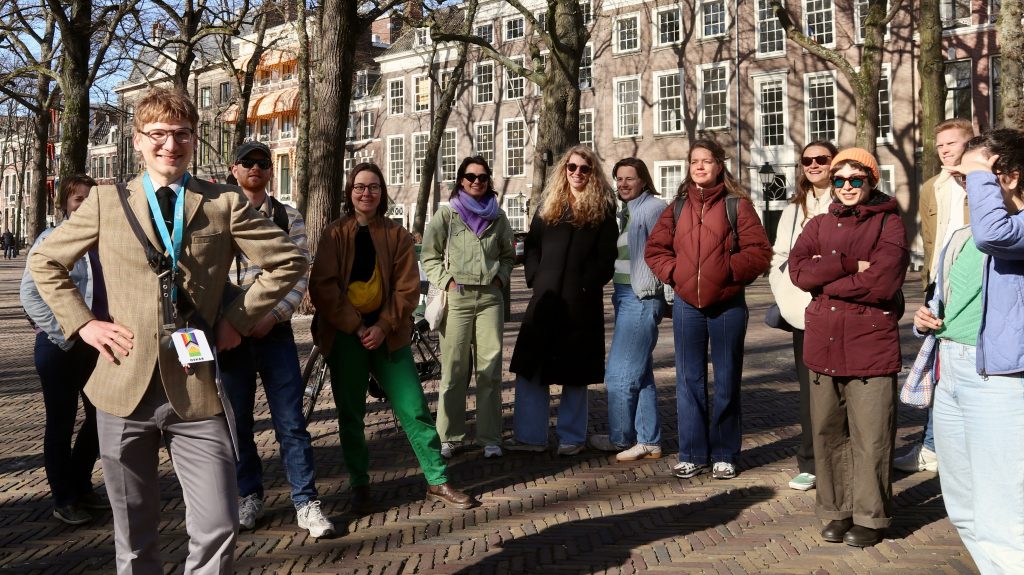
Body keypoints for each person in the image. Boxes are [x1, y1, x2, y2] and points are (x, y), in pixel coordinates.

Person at [28, 87, 308, 574]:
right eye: (157, 134)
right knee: (134, 536)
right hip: (122, 385)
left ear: (193, 139)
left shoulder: (223, 202)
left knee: (219, 523)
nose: (170, 144)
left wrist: (237, 319)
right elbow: (45, 261)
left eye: (181, 134)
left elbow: (289, 260)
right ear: (138, 140)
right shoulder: (106, 201)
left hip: (196, 385)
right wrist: (84, 324)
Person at [308, 162, 477, 515]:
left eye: (373, 187)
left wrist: (383, 326)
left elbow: (407, 288)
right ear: (349, 192)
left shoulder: (396, 235)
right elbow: (323, 287)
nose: (366, 193)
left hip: (390, 335)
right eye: (359, 187)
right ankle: (360, 485)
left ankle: (437, 478)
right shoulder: (334, 234)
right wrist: (356, 327)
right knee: (351, 414)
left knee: (413, 406)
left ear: (382, 193)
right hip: (346, 335)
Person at [915, 129, 1024, 573]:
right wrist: (928, 316)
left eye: (972, 175)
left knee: (1003, 508)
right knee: (962, 504)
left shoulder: (1006, 229)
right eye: (962, 177)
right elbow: (948, 296)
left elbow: (996, 236)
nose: (963, 182)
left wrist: (979, 171)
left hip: (1000, 379)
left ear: (1010, 177)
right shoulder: (962, 235)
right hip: (952, 370)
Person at [789, 147, 909, 548]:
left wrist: (824, 280)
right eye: (839, 179)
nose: (846, 186)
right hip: (823, 342)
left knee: (871, 436)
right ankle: (836, 511)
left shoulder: (890, 224)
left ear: (871, 181)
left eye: (856, 179)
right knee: (827, 433)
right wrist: (848, 265)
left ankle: (871, 516)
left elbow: (883, 282)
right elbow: (798, 272)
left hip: (870, 344)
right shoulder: (818, 223)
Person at [218, 141, 333, 537]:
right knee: (237, 423)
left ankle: (306, 501)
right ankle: (248, 495)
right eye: (247, 162)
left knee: (291, 421)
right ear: (234, 169)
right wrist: (227, 321)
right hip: (231, 335)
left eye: (263, 163)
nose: (255, 168)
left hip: (274, 333)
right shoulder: (218, 215)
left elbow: (299, 272)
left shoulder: (287, 217)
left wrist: (274, 315)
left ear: (271, 171)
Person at [645, 139, 771, 480]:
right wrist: (677, 274)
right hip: (687, 305)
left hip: (728, 305)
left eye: (707, 161)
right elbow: (655, 249)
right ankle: (692, 453)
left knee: (727, 380)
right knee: (689, 380)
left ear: (719, 165)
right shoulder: (677, 207)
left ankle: (725, 454)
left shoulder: (737, 205)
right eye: (694, 161)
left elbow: (759, 252)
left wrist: (726, 272)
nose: (700, 166)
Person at [507, 144, 617, 455]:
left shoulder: (602, 211)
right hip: (545, 299)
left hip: (580, 304)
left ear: (592, 173)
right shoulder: (548, 206)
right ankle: (530, 437)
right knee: (531, 367)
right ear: (564, 170)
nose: (577, 173)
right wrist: (534, 277)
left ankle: (571, 437)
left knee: (575, 372)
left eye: (584, 168)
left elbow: (606, 258)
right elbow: (532, 246)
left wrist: (586, 285)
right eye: (572, 167)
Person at [20, 174, 107, 525]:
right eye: (77, 199)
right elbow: (29, 294)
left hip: (98, 345)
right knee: (61, 421)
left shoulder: (107, 242)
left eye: (90, 198)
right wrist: (66, 332)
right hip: (60, 344)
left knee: (103, 415)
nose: (84, 204)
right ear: (65, 205)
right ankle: (64, 497)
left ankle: (80, 483)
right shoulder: (51, 239)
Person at [896, 118, 975, 474]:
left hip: (974, 282)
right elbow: (932, 242)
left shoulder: (985, 181)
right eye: (939, 145)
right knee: (938, 367)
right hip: (941, 287)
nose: (944, 150)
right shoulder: (931, 187)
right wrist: (928, 288)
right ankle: (932, 446)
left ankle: (951, 447)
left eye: (951, 143)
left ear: (970, 143)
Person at [422, 156, 514, 460]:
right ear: (461, 180)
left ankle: (490, 437)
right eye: (471, 176)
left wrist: (499, 279)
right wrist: (447, 282)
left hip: (490, 299)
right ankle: (448, 436)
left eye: (483, 177)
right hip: (457, 299)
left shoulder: (498, 217)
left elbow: (508, 255)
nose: (477, 181)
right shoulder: (447, 214)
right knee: (454, 369)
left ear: (488, 181)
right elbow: (429, 255)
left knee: (490, 370)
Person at [768, 140, 838, 492]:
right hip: (803, 312)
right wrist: (785, 292)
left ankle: (841, 459)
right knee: (810, 389)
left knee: (842, 388)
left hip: (840, 309)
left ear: (834, 162)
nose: (813, 165)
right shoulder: (794, 209)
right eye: (807, 160)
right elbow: (779, 254)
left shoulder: (846, 202)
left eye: (821, 159)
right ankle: (810, 461)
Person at [588, 158, 667, 461]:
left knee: (618, 374)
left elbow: (666, 252)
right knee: (640, 372)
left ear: (644, 180)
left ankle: (620, 438)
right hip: (623, 295)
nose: (623, 184)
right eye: (619, 179)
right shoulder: (626, 211)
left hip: (641, 297)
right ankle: (649, 440)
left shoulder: (652, 209)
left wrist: (662, 293)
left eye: (629, 178)